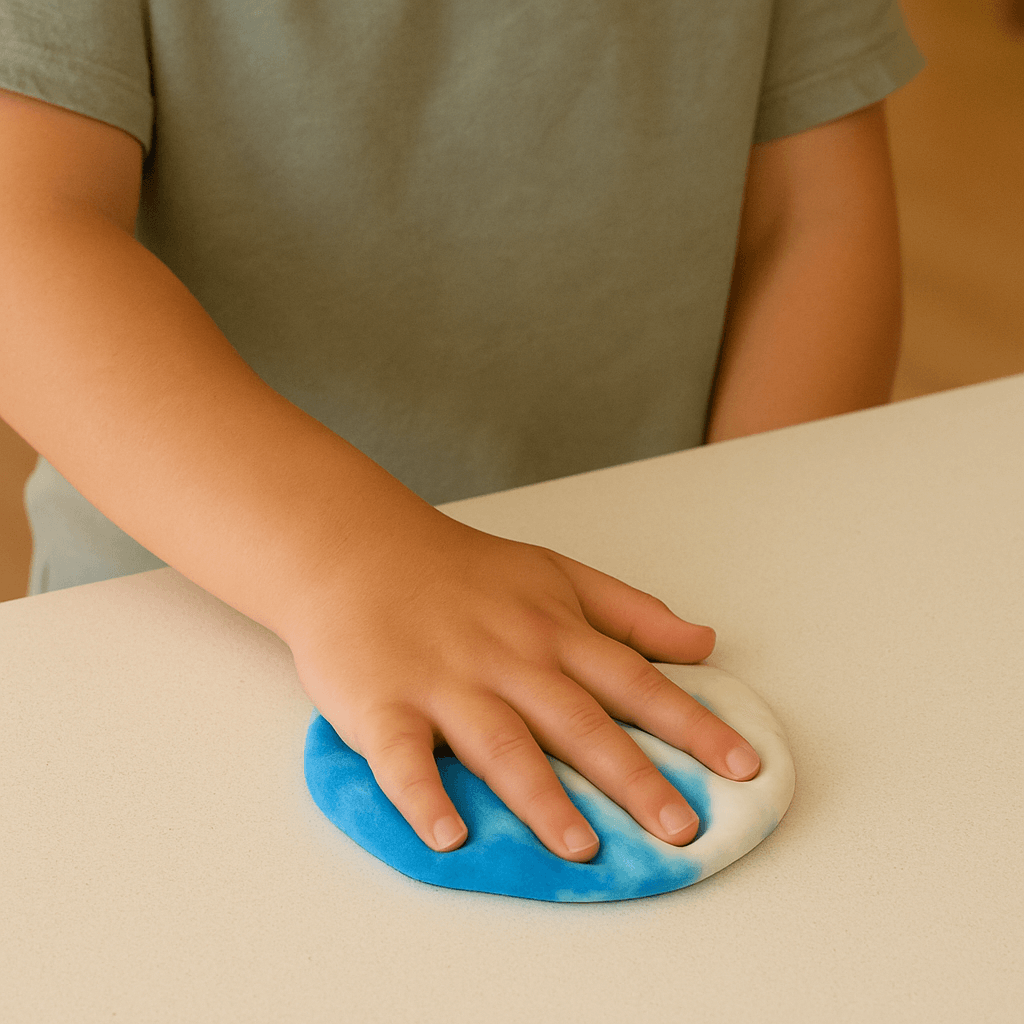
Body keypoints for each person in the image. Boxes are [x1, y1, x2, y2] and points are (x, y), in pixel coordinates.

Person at [0, 1, 923, 863]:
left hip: (650, 616)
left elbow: (810, 219)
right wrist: (352, 562)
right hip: (189, 638)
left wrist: (768, 568)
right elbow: (24, 231)